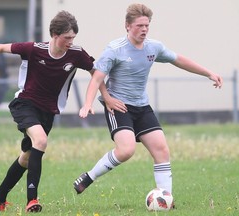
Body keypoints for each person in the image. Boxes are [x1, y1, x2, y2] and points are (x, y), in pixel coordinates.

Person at [73, 3, 223, 201]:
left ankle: (166, 199)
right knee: (126, 150)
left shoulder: (154, 47)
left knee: (162, 150)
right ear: (127, 26)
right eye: (139, 26)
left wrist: (208, 73)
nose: (144, 29)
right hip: (119, 106)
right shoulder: (114, 49)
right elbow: (97, 77)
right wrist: (88, 103)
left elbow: (178, 60)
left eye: (147, 25)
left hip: (142, 106)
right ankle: (89, 177)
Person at [0, 10, 94, 213]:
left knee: (27, 157)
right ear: (54, 34)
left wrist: (104, 98)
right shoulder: (34, 49)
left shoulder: (76, 54)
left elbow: (97, 72)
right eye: (67, 37)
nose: (70, 41)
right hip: (24, 104)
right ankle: (31, 200)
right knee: (40, 141)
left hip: (48, 111)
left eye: (73, 37)